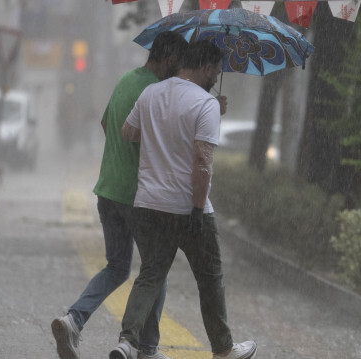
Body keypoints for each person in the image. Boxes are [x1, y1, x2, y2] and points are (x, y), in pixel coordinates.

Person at [109, 40, 256, 359]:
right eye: (216, 72)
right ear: (205, 68)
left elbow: (127, 133)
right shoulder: (205, 105)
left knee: (150, 274)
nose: (215, 78)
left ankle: (127, 342)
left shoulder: (151, 93)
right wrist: (196, 207)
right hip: (189, 207)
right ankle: (223, 349)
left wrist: (162, 130)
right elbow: (203, 162)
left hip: (148, 204)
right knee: (210, 279)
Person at [51, 31, 189, 359]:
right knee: (156, 268)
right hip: (137, 196)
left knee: (117, 267)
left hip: (107, 190)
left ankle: (73, 319)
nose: (181, 70)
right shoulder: (157, 91)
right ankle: (146, 349)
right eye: (180, 63)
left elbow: (105, 123)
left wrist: (122, 155)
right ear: (169, 59)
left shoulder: (127, 78)